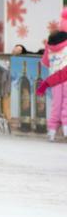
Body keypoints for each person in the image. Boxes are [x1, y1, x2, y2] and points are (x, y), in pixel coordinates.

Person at [36, 8, 67, 141]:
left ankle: (52, 132)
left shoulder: (50, 44)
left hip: (54, 79)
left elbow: (45, 62)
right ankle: (66, 130)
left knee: (56, 104)